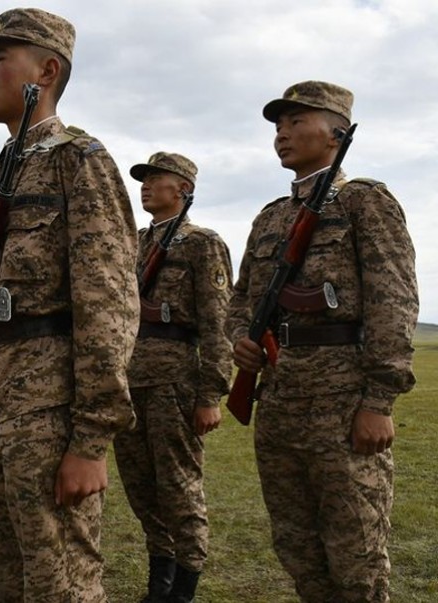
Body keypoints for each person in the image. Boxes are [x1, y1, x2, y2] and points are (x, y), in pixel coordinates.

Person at [0, 8, 140, 601]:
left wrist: (90, 441)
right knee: (1, 576)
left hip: (46, 413)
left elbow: (109, 304)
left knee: (60, 583)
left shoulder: (80, 159)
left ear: (46, 72)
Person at [227, 80, 418, 603]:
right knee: (298, 549)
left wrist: (378, 401)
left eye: (295, 121)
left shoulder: (364, 202)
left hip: (343, 404)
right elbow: (240, 299)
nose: (282, 134)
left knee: (356, 555)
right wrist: (240, 340)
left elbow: (394, 300)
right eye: (278, 126)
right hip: (280, 402)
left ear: (337, 134)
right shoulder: (270, 217)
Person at [114, 152, 232, 602]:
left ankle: (183, 590)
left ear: (183, 189)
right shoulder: (133, 243)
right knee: (142, 490)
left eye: (156, 178)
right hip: (130, 384)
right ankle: (158, 587)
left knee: (179, 489)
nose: (145, 186)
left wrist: (210, 394)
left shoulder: (202, 244)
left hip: (173, 383)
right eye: (143, 179)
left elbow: (218, 325)